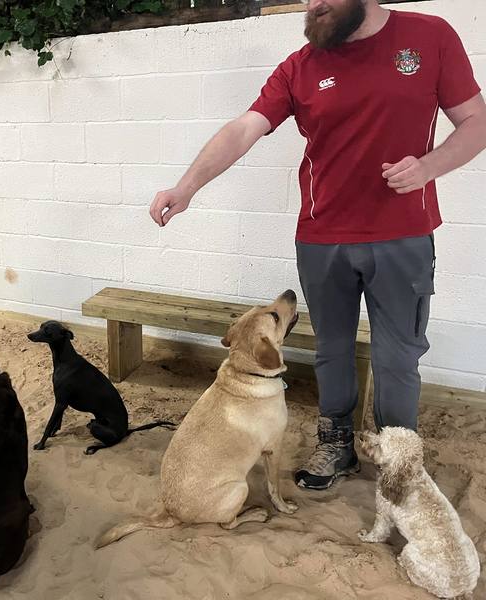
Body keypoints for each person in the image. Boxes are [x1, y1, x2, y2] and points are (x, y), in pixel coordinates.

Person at [149, 0, 486, 490]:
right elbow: (245, 127)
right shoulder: (300, 66)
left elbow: (476, 121)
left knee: (397, 356)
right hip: (321, 238)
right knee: (332, 349)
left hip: (403, 236)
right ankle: (336, 444)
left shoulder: (430, 37)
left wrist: (429, 167)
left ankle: (399, 456)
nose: (313, 5)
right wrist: (187, 187)